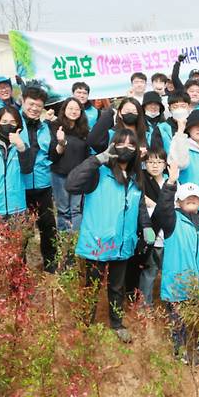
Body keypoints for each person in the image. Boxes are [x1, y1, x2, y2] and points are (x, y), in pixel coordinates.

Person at [65, 129, 154, 343]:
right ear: (113, 145)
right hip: (98, 243)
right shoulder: (99, 173)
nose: (126, 148)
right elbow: (71, 184)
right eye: (121, 143)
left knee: (117, 287)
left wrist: (146, 225)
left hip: (123, 244)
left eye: (131, 145)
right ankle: (84, 324)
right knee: (92, 285)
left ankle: (116, 323)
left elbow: (139, 206)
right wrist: (96, 159)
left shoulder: (135, 178)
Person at [152, 163, 199, 365]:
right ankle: (180, 347)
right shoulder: (171, 220)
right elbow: (161, 211)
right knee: (178, 318)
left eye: (195, 198)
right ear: (179, 201)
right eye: (187, 198)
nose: (191, 201)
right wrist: (170, 183)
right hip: (177, 283)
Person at [20, 87, 58, 272]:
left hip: (43, 185)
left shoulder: (46, 127)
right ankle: (20, 269)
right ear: (23, 102)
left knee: (48, 226)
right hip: (20, 187)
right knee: (22, 230)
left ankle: (51, 265)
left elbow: (52, 153)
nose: (34, 108)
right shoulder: (14, 124)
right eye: (31, 104)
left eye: (39, 105)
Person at [48, 97, 90, 232]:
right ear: (64, 109)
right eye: (70, 108)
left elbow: (86, 154)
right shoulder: (56, 126)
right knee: (63, 210)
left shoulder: (84, 130)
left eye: (77, 109)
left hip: (78, 176)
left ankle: (76, 242)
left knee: (76, 209)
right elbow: (53, 156)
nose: (74, 111)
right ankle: (64, 244)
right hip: (60, 175)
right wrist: (61, 143)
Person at [139, 147, 168, 307]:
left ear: (165, 165)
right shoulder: (142, 180)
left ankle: (171, 304)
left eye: (159, 162)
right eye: (150, 162)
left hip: (168, 237)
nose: (155, 165)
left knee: (169, 271)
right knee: (149, 270)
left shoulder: (171, 182)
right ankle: (145, 305)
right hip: (151, 235)